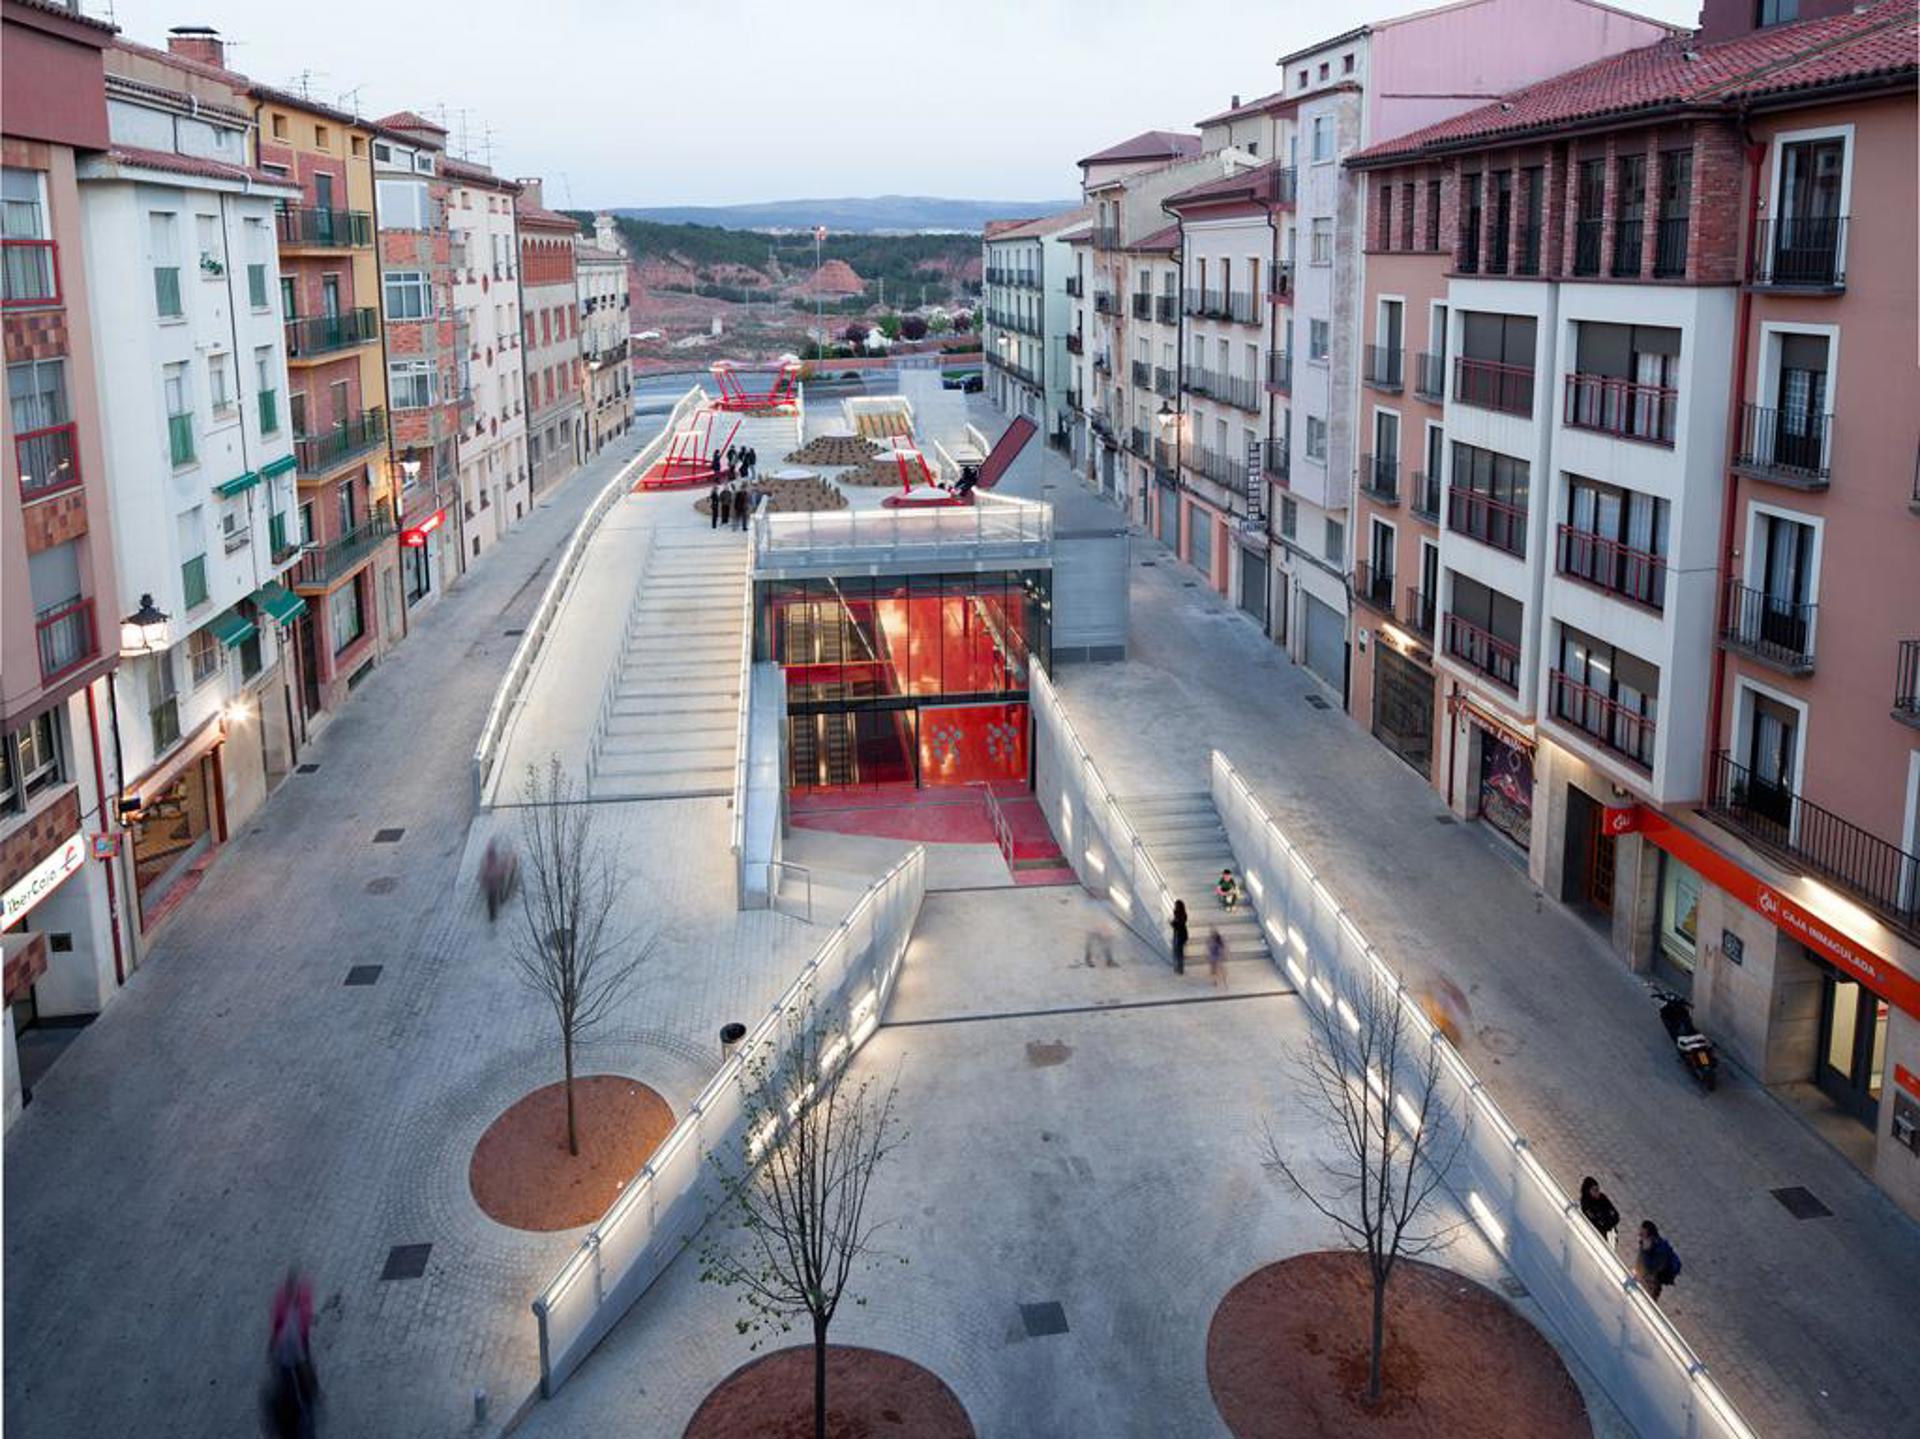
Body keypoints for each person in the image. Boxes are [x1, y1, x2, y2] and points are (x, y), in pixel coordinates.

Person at [262, 1269, 320, 1438]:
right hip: (292, 1351)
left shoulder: (302, 1296)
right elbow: (301, 1361)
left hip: (290, 1351)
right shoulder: (290, 1329)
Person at [1635, 1220, 1681, 1302]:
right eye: (1640, 1233)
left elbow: (1651, 1269)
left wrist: (1645, 1252)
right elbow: (1639, 1262)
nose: (1639, 1236)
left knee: (1649, 1302)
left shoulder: (1660, 1251)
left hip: (1654, 1282)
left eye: (1642, 1234)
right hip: (1645, 1278)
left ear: (1650, 1236)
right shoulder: (1644, 1243)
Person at [1579, 1177, 1621, 1248]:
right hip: (1598, 1235)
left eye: (1598, 1189)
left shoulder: (1602, 1198)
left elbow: (1615, 1215)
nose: (1597, 1192)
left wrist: (1609, 1222)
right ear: (1588, 1191)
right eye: (1594, 1190)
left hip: (1609, 1231)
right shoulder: (1586, 1205)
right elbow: (1595, 1222)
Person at [1170, 899, 1189, 974]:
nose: (1175, 907)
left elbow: (1179, 925)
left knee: (1179, 952)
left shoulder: (1182, 914)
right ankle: (1177, 968)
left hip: (1181, 935)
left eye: (1176, 905)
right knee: (1177, 952)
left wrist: (1173, 923)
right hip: (1178, 934)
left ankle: (1180, 969)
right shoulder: (1177, 914)